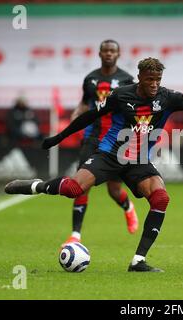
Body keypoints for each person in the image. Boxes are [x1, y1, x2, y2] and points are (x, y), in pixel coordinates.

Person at [4, 57, 183, 272]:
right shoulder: (120, 95)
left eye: (158, 79)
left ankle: (138, 261)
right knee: (73, 189)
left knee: (161, 198)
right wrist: (58, 138)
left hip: (138, 161)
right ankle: (36, 186)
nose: (154, 84)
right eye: (150, 79)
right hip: (110, 155)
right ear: (140, 77)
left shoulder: (168, 97)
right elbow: (89, 117)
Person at [64, 39, 138, 246]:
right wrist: (76, 115)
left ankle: (128, 208)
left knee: (114, 190)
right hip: (92, 137)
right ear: (99, 53)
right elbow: (84, 103)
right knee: (79, 186)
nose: (108, 53)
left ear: (118, 54)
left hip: (115, 140)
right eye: (105, 50)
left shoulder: (127, 80)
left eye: (112, 50)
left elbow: (135, 107)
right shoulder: (90, 79)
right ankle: (75, 236)